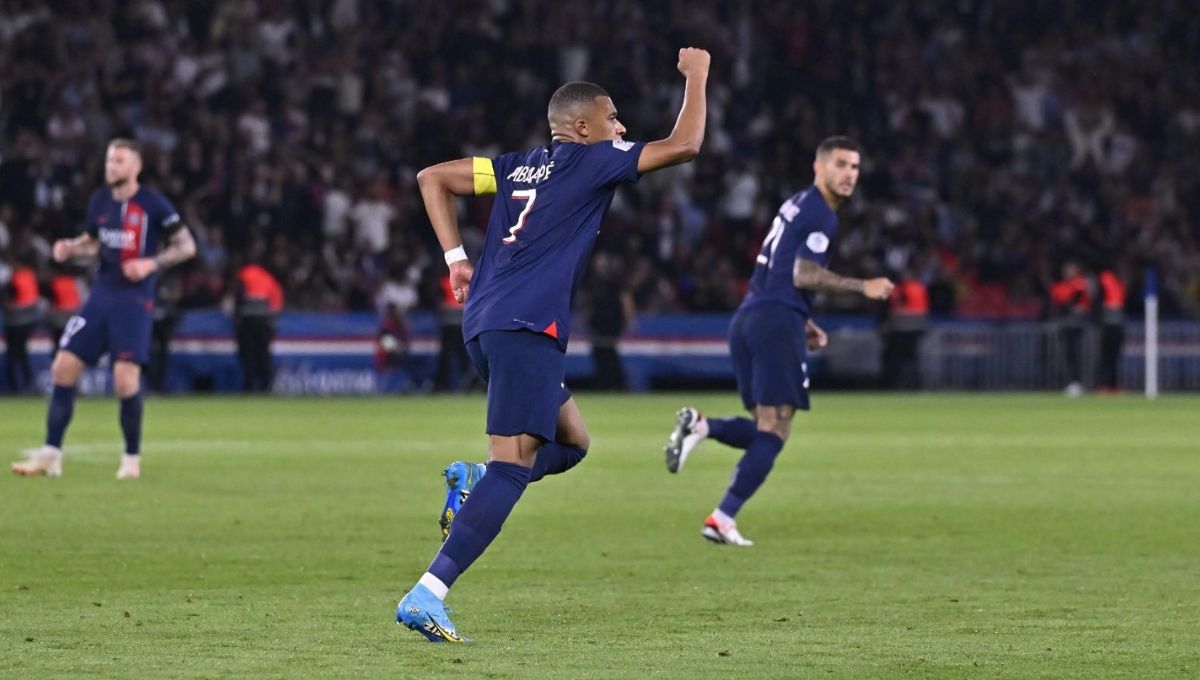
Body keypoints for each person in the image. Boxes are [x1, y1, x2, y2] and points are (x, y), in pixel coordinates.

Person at [395, 47, 711, 643]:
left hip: (487, 324)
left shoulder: (514, 167)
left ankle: (471, 479)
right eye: (615, 119)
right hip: (525, 327)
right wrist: (696, 75)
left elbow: (431, 178)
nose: (623, 129)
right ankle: (428, 592)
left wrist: (456, 261)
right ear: (585, 128)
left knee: (574, 440)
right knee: (512, 467)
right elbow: (686, 144)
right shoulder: (594, 161)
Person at [663, 137, 894, 546]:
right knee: (776, 430)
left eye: (855, 167)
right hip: (773, 321)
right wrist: (864, 287)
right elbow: (803, 275)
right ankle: (722, 517)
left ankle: (703, 426)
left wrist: (801, 318)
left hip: (753, 316)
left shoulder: (798, 205)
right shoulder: (822, 214)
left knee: (765, 426)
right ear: (818, 167)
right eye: (841, 165)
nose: (849, 175)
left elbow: (781, 270)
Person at [11, 138, 196, 479]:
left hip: (134, 299)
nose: (112, 166)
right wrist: (71, 247)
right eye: (110, 160)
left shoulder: (153, 203)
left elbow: (186, 246)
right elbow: (95, 243)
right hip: (101, 295)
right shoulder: (100, 201)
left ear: (136, 167)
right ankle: (51, 454)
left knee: (125, 379)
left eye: (120, 161)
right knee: (63, 367)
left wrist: (150, 264)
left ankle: (131, 460)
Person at [232, 256, 283, 393]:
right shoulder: (268, 277)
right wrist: (272, 322)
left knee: (248, 353)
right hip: (264, 320)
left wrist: (236, 317)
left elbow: (239, 295)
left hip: (248, 319)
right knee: (263, 354)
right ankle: (267, 385)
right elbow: (277, 299)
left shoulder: (244, 273)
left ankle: (248, 386)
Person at [586, 251, 635, 390]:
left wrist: (628, 319)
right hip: (598, 324)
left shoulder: (615, 281)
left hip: (611, 323)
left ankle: (617, 383)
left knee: (609, 353)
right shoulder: (594, 282)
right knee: (599, 353)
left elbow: (625, 300)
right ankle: (604, 383)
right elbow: (591, 303)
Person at [880, 266, 929, 390]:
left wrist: (887, 324)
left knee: (898, 358)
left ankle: (900, 384)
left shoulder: (902, 289)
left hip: (902, 328)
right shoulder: (920, 287)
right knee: (912, 358)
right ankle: (914, 384)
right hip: (918, 327)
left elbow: (897, 308)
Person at [1048, 260, 1092, 396]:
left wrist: (1068, 306)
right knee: (1067, 355)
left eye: (1071, 269)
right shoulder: (1063, 286)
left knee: (1075, 354)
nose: (1068, 272)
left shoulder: (1079, 284)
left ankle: (1076, 382)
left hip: (1076, 325)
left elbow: (1071, 302)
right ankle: (1070, 382)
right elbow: (1058, 302)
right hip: (1066, 324)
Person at [3, 250, 41, 393]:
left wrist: (9, 307)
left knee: (13, 355)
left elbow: (10, 301)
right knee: (21, 354)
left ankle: (16, 388)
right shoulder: (29, 275)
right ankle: (27, 385)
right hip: (27, 319)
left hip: (16, 321)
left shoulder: (17, 278)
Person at [1095, 264, 1126, 392]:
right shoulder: (1108, 280)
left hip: (1114, 325)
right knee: (1107, 357)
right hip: (1109, 325)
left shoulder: (1117, 283)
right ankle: (1105, 384)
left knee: (1112, 357)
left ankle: (1112, 384)